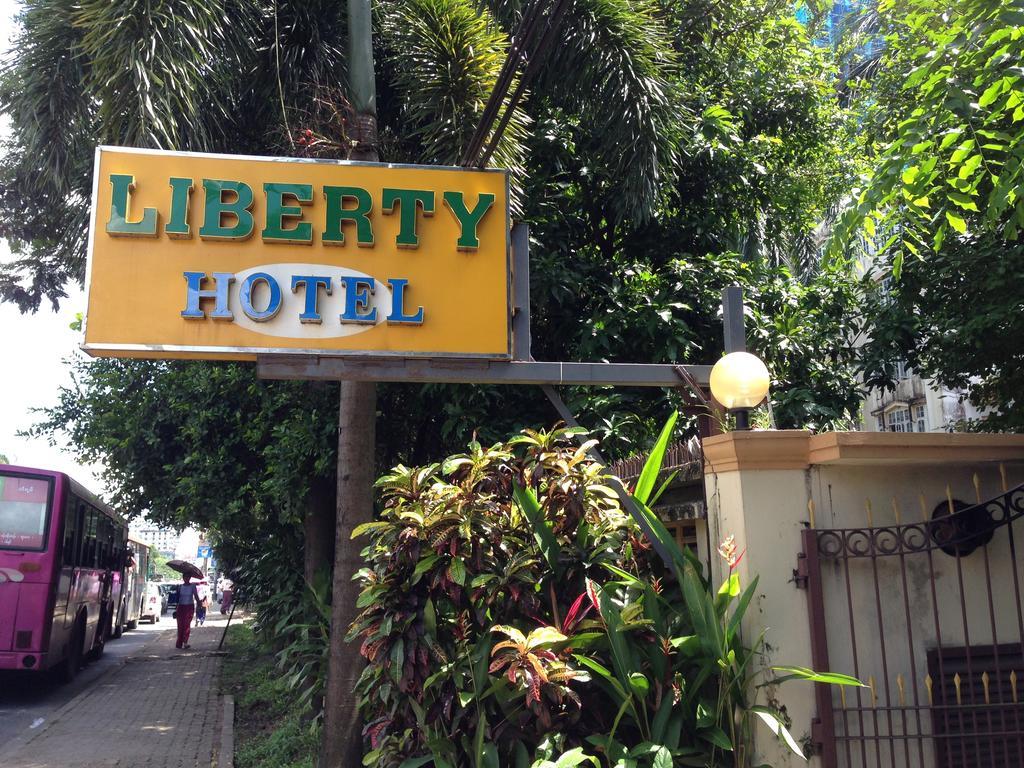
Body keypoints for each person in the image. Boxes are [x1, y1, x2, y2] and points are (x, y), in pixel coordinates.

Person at [174, 574, 202, 649]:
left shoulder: (193, 586)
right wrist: (176, 609)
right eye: (185, 577)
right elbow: (177, 599)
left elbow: (196, 596)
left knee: (186, 625)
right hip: (180, 607)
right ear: (183, 578)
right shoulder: (180, 587)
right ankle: (179, 643)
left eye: (188, 577)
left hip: (189, 607)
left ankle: (185, 642)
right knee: (180, 625)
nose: (186, 578)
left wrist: (199, 603)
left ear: (189, 578)